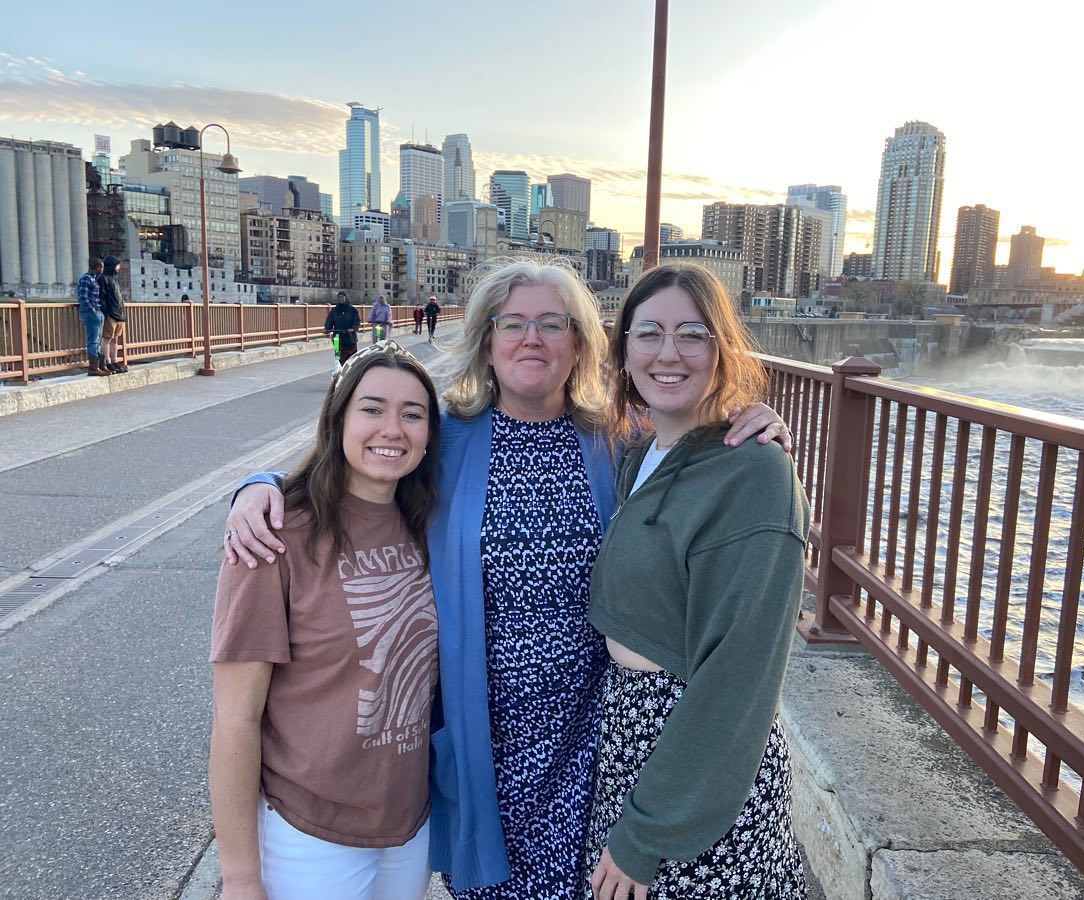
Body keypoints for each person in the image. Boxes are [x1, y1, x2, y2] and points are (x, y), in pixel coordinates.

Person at [223, 260, 791, 899]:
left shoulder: (619, 442)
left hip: (594, 737)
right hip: (485, 738)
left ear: (580, 343)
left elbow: (691, 445)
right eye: (512, 323)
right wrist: (260, 488)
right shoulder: (445, 441)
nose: (532, 339)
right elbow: (362, 461)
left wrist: (754, 418)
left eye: (552, 324)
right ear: (486, 340)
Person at [586, 263, 808, 898]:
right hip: (632, 743)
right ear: (623, 350)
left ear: (721, 349)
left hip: (695, 768)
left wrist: (647, 832)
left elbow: (739, 676)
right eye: (648, 333)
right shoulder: (640, 452)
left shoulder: (755, 473)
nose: (668, 353)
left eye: (692, 334)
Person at [210, 341, 441, 900]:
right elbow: (235, 720)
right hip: (308, 836)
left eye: (413, 414)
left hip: (409, 825)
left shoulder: (431, 522)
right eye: (372, 409)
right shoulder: (274, 537)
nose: (392, 429)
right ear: (337, 420)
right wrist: (240, 877)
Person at [77, 257, 108, 377]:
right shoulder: (86, 278)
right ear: (97, 267)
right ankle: (93, 368)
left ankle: (100, 365)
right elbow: (83, 297)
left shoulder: (95, 278)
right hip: (91, 313)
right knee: (93, 341)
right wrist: (92, 310)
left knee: (97, 340)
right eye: (101, 267)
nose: (103, 269)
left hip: (98, 312)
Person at [98, 255, 127, 374]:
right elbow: (102, 297)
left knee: (115, 339)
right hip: (111, 314)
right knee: (107, 338)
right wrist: (106, 313)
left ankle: (114, 361)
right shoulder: (103, 279)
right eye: (117, 265)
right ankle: (107, 361)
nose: (119, 267)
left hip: (119, 314)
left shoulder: (114, 280)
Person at [325, 291, 361, 364]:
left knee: (352, 357)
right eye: (339, 297)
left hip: (349, 336)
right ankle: (339, 368)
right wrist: (327, 329)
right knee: (338, 356)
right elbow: (329, 320)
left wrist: (353, 328)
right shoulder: (334, 310)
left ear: (346, 298)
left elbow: (357, 321)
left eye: (342, 297)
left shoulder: (352, 310)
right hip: (338, 335)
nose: (340, 299)